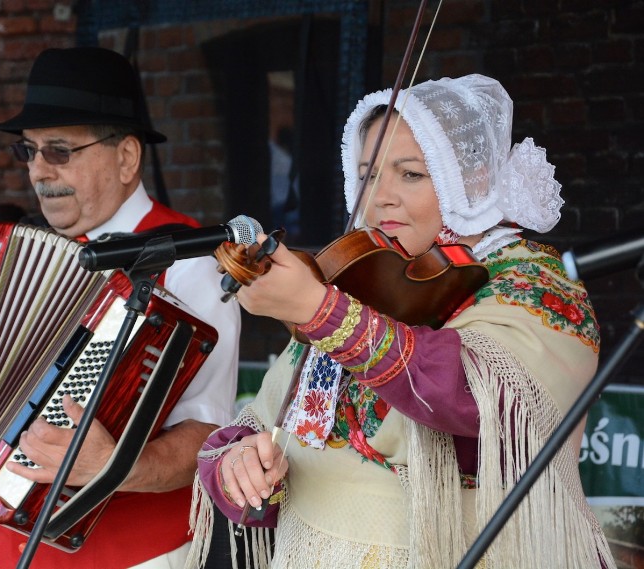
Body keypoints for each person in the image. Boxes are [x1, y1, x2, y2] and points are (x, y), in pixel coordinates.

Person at [186, 74, 616, 569]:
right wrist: (243, 467)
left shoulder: (535, 281)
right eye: (368, 175)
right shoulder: (366, 280)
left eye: (411, 174)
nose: (379, 197)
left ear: (473, 179)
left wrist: (318, 311)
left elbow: (474, 396)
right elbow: (261, 423)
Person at [0, 46, 242, 569]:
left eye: (58, 150)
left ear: (126, 157)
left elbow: (208, 436)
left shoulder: (192, 260)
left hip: (131, 557)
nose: (38, 170)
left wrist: (118, 467)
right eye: (29, 151)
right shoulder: (33, 258)